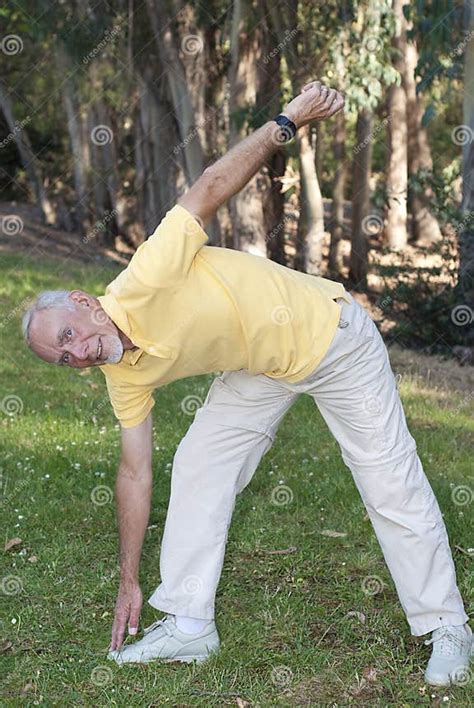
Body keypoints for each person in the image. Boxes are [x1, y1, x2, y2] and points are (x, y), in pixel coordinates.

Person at [22, 81, 471, 686]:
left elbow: (208, 188)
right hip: (262, 367)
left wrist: (287, 120)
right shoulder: (120, 373)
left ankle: (446, 626)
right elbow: (134, 472)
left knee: (387, 478)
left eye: (68, 336)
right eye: (62, 358)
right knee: (199, 462)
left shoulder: (144, 278)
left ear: (83, 303)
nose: (75, 355)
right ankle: (187, 623)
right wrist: (129, 580)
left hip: (333, 338)